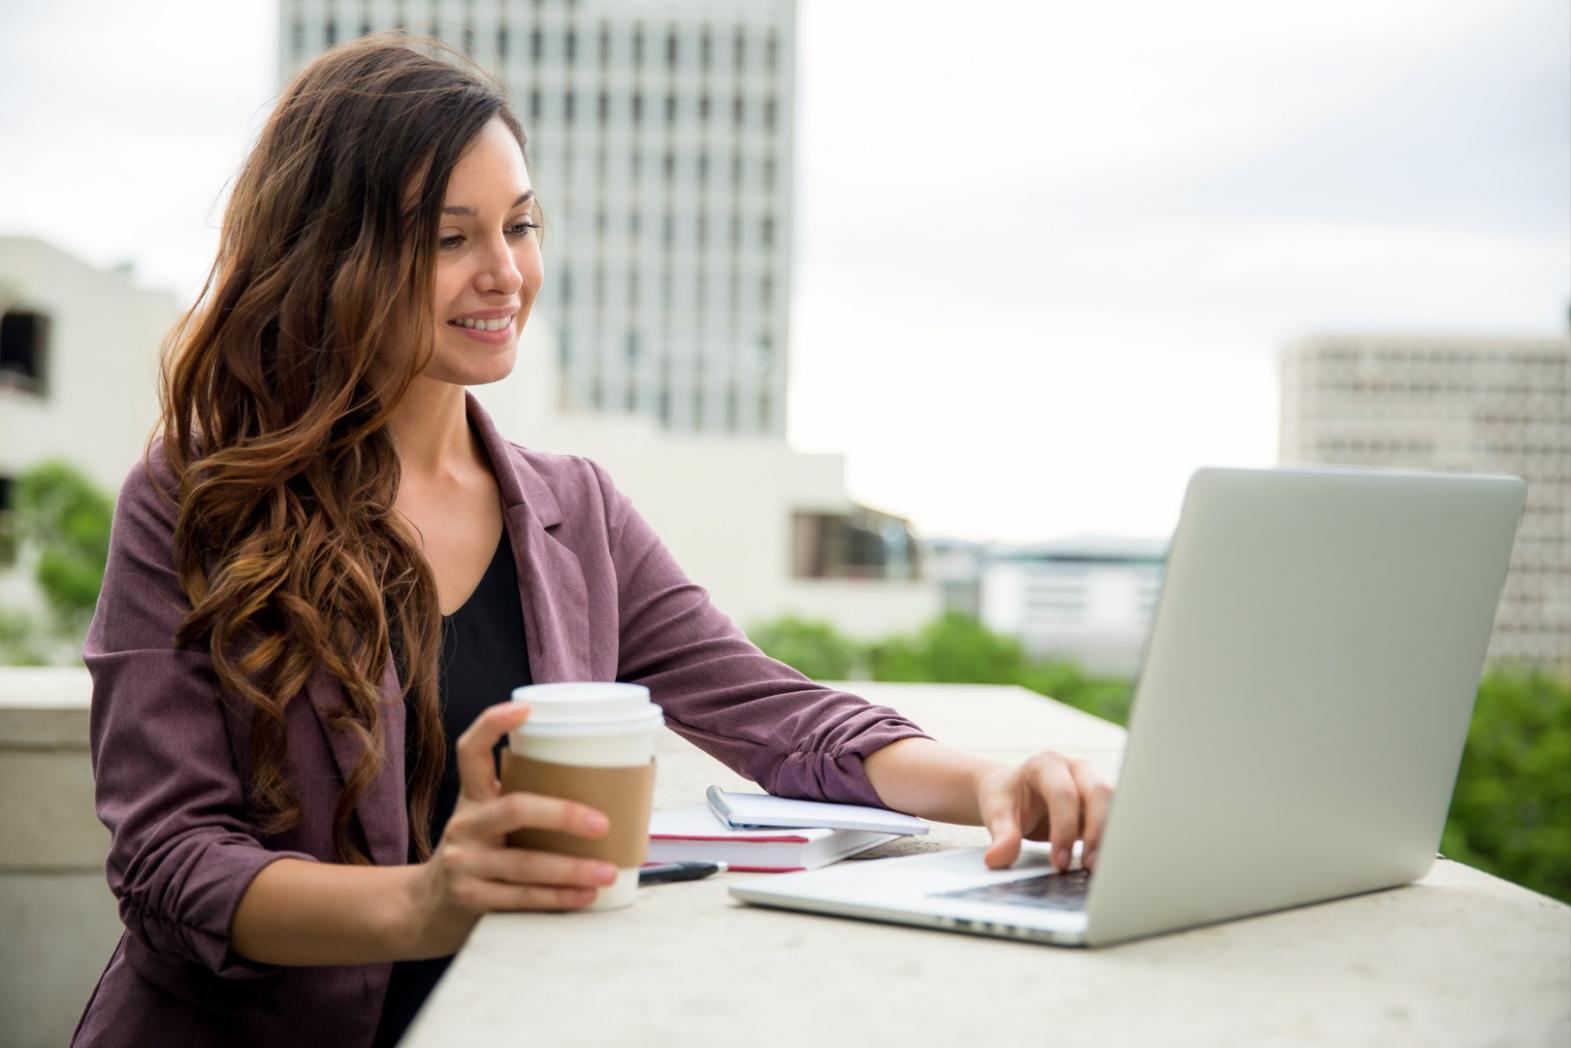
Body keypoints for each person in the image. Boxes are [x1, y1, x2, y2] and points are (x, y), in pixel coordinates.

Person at [70, 30, 1114, 1048]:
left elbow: (782, 719)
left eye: (520, 226)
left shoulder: (575, 512)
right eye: (448, 238)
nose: (505, 273)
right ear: (332, 255)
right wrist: (426, 902)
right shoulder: (193, 502)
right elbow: (168, 863)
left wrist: (990, 785)